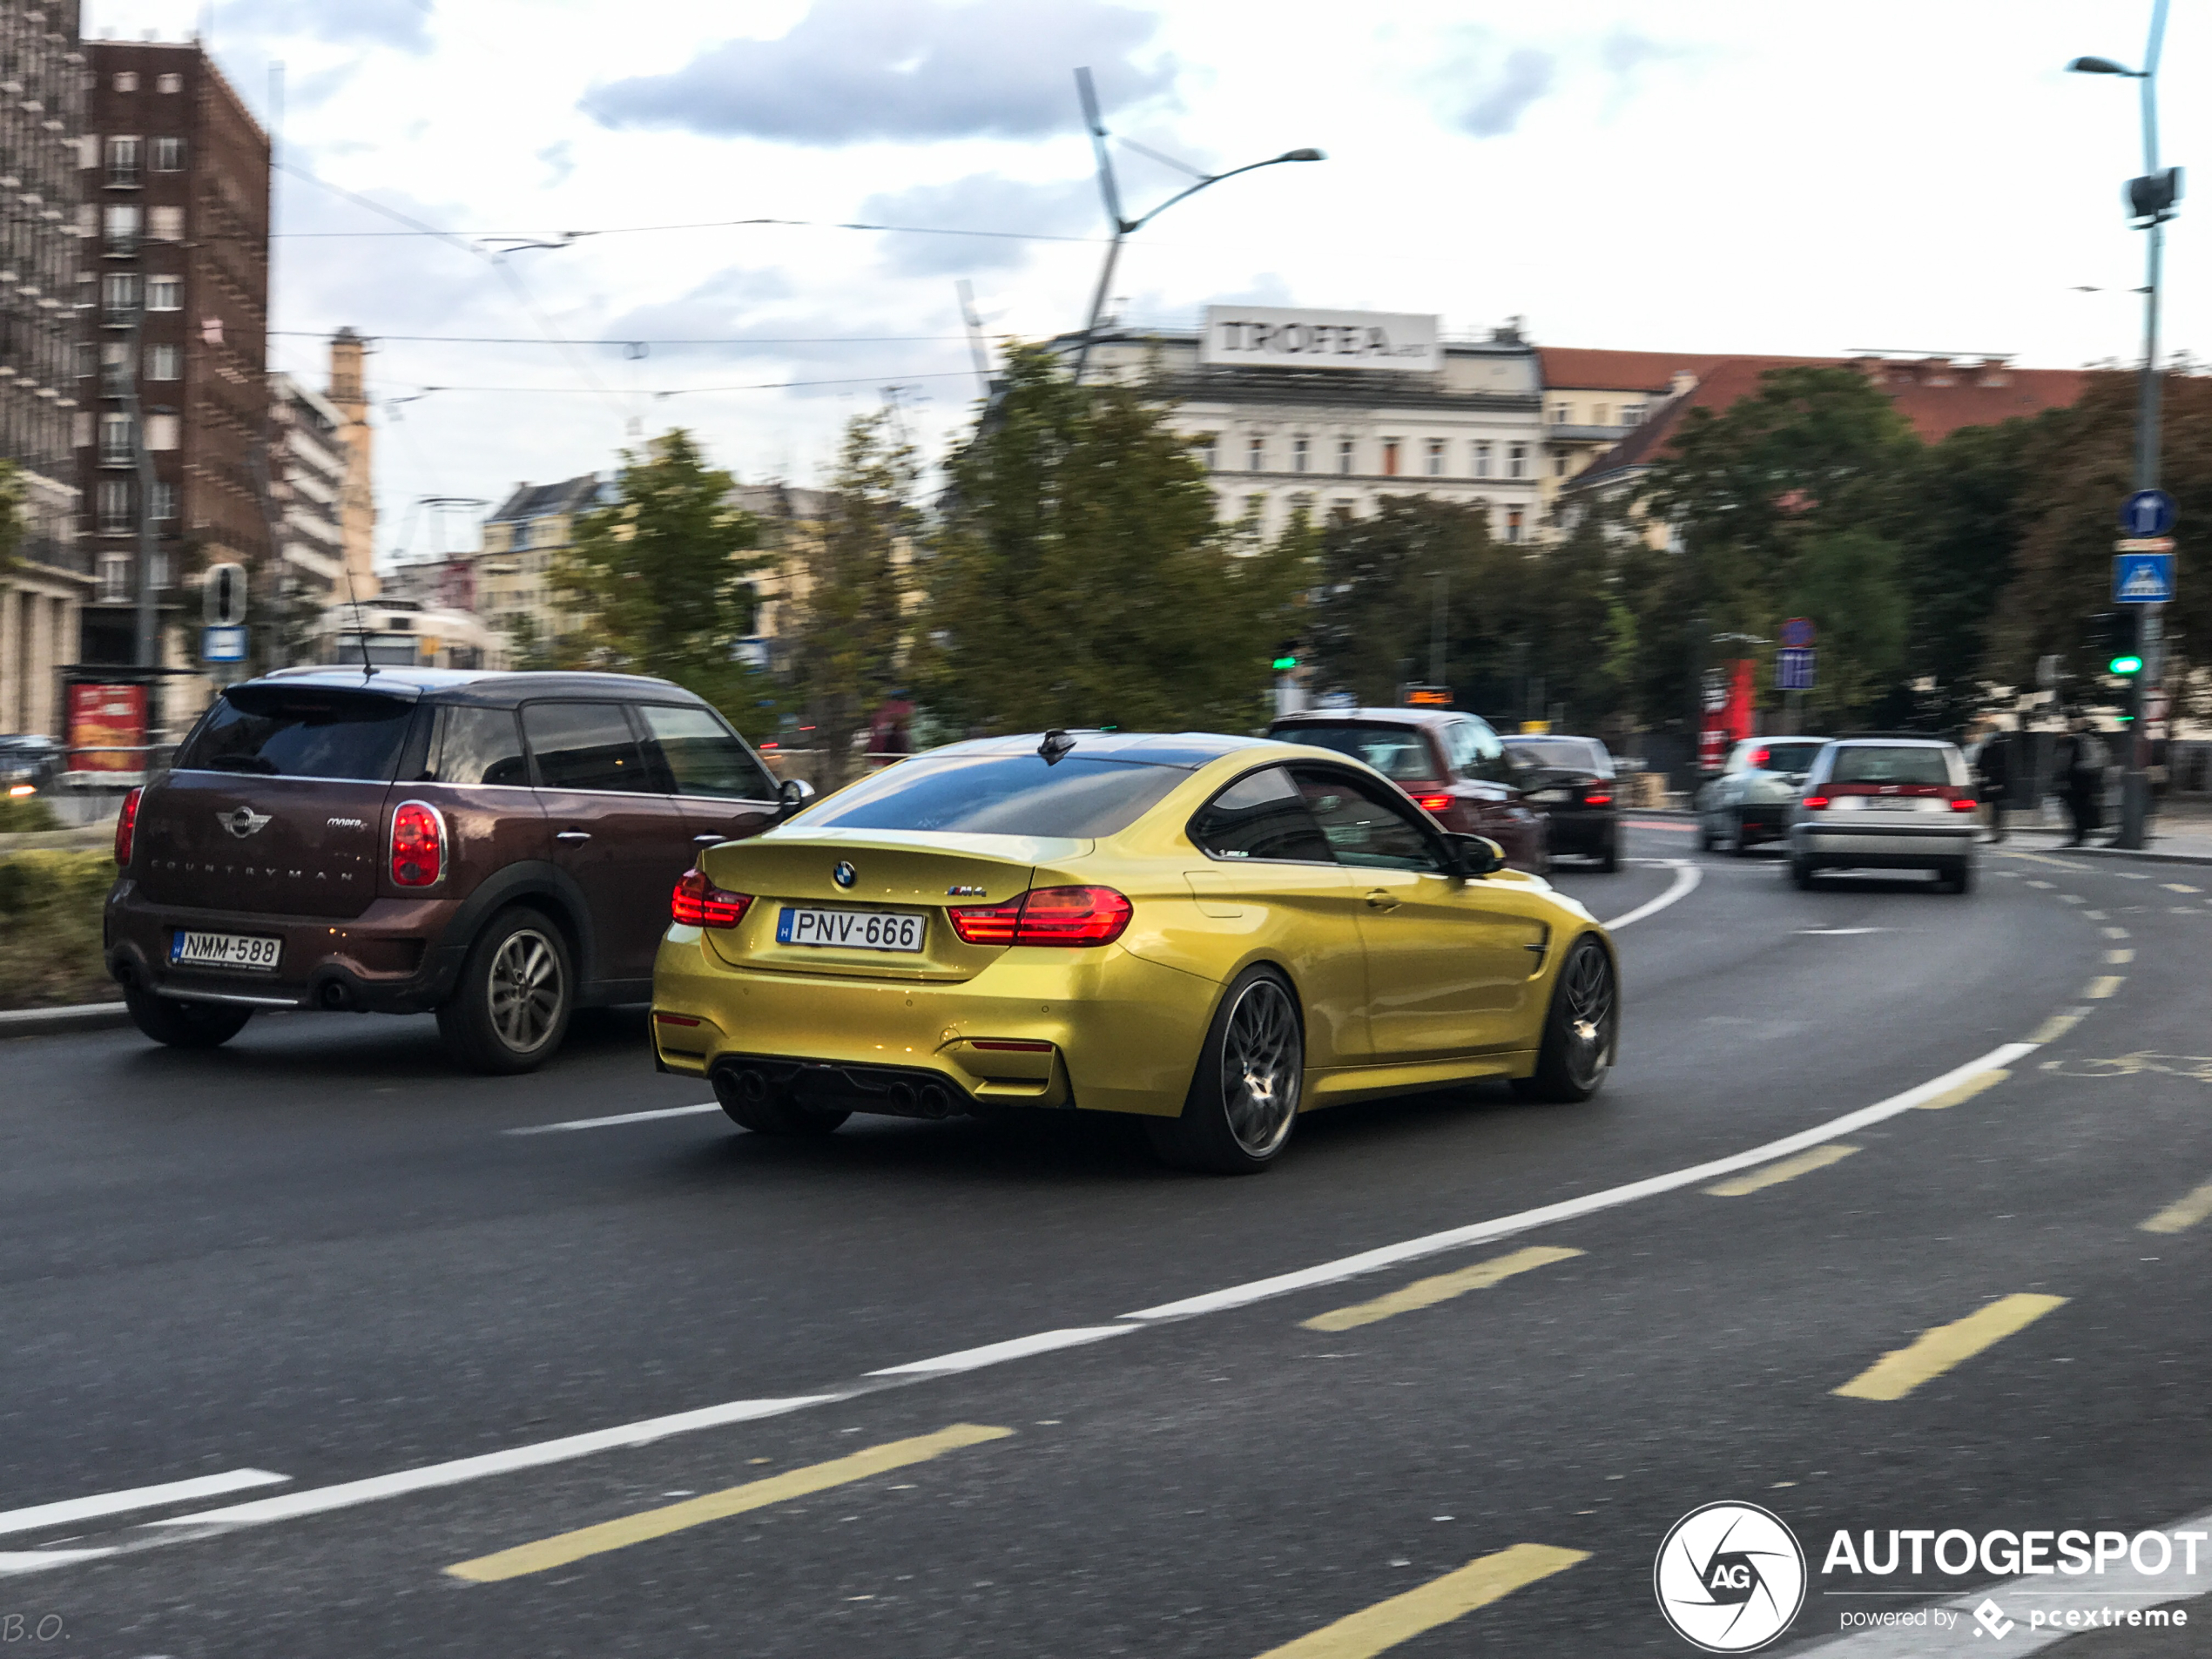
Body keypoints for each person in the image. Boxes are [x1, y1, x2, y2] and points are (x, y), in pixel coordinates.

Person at [2057, 716, 2108, 846]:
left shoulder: (2078, 740)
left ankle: (2079, 836)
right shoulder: (2087, 739)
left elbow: (2068, 762)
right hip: (2083, 780)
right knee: (2078, 809)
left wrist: (2073, 771)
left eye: (2072, 723)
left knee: (2077, 809)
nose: (2069, 725)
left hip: (2079, 780)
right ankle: (2080, 836)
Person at [1976, 724, 2013, 844]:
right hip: (1991, 783)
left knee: (1996, 810)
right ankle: (1997, 832)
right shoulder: (1989, 748)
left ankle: (1998, 832)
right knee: (1995, 810)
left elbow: (1981, 766)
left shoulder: (1998, 748)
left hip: (1995, 783)